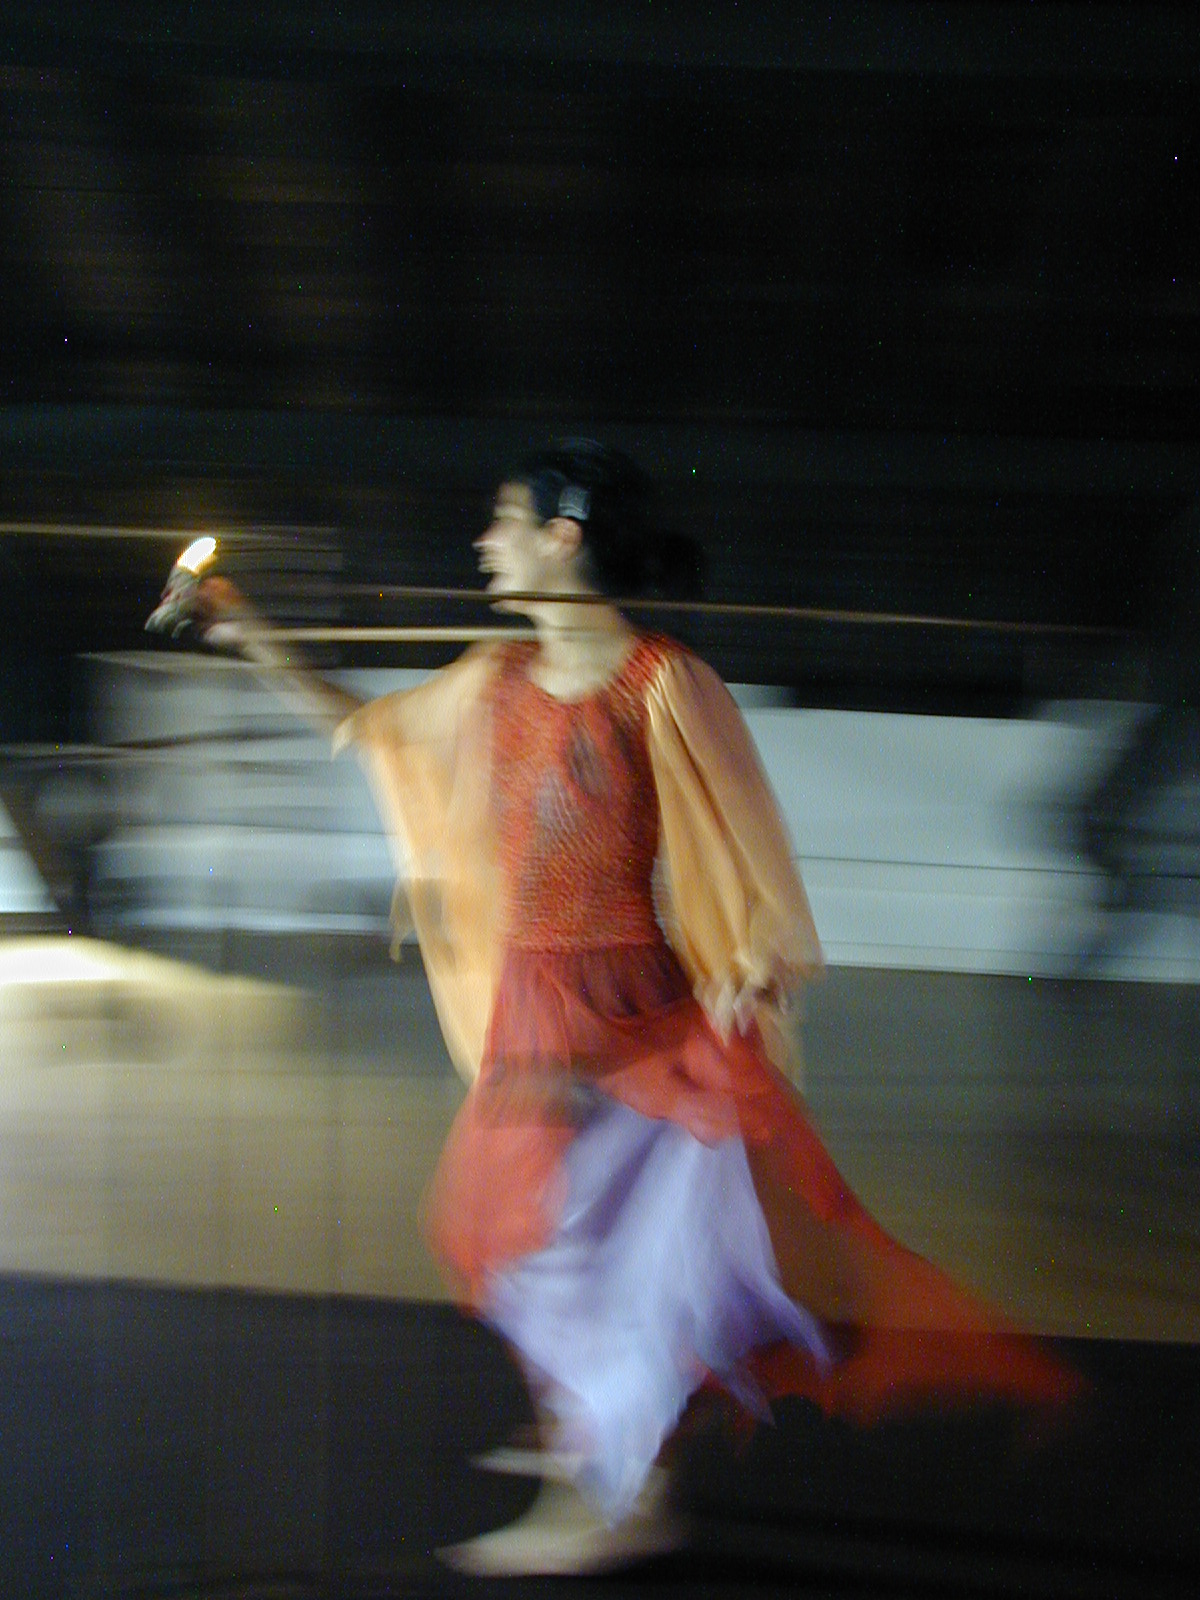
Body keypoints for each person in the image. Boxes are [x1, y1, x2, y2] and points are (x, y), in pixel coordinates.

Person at [173, 441, 1078, 1575]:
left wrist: (754, 961)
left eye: (504, 522)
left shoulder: (661, 681)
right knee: (515, 1226)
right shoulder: (494, 676)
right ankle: (593, 1438)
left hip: (627, 1009)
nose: (484, 543)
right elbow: (371, 730)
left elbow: (746, 840)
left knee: (580, 1245)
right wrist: (248, 632)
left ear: (563, 538)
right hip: (534, 1003)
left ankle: (616, 1486)